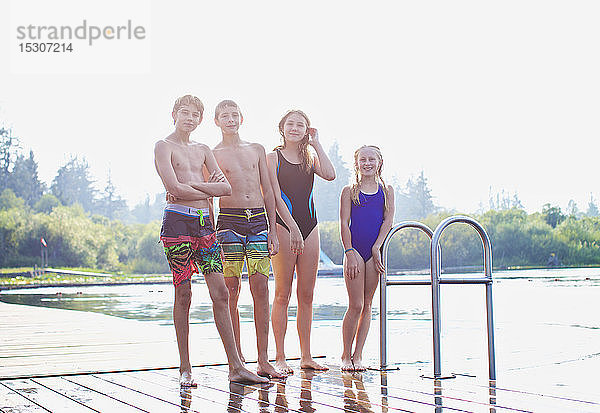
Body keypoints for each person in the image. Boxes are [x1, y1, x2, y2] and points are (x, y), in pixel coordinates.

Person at [154, 95, 267, 386]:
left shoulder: (203, 149)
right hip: (177, 224)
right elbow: (172, 187)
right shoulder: (163, 146)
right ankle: (185, 368)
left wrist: (189, 187)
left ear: (201, 120)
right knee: (184, 295)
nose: (189, 118)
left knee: (222, 293)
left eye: (195, 115)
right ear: (174, 114)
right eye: (184, 113)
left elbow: (225, 187)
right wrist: (205, 190)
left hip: (206, 226)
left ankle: (236, 366)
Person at [212, 99, 284, 379]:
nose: (230, 119)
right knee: (231, 291)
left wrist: (274, 231)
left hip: (258, 223)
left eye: (234, 115)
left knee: (261, 289)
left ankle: (264, 360)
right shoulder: (213, 153)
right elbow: (207, 192)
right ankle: (237, 358)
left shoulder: (256, 150)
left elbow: (269, 192)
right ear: (216, 121)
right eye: (224, 116)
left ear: (242, 118)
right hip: (228, 223)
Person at [267, 109, 336, 374]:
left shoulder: (310, 158)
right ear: (281, 128)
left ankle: (306, 356)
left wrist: (316, 142)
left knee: (306, 295)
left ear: (306, 129)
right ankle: (281, 357)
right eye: (290, 124)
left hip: (311, 226)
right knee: (282, 293)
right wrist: (292, 227)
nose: (295, 128)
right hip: (285, 227)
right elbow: (272, 195)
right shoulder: (272, 157)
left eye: (300, 125)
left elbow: (330, 174)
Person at [339, 145, 394, 371]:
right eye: (363, 159)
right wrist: (349, 251)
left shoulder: (386, 189)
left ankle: (358, 355)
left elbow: (388, 220)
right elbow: (344, 223)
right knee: (356, 304)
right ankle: (345, 355)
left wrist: (377, 247)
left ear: (379, 162)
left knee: (368, 304)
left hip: (374, 253)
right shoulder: (349, 190)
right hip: (354, 251)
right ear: (357, 163)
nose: (368, 163)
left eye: (372, 159)